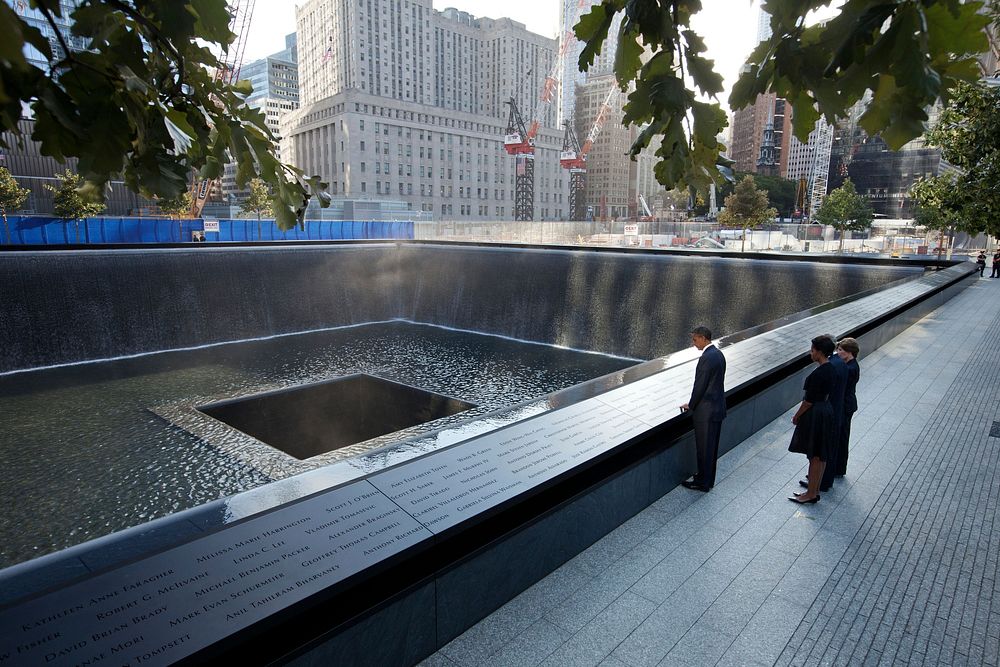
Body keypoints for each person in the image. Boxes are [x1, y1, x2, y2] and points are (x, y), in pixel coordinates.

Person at [788, 336, 837, 504]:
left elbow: (808, 401)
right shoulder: (832, 368)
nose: (811, 353)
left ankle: (810, 494)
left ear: (819, 352)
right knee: (820, 455)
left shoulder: (820, 373)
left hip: (816, 414)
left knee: (815, 456)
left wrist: (797, 416)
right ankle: (814, 491)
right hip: (826, 410)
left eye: (812, 350)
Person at [679, 326, 727, 492]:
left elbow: (700, 386)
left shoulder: (706, 358)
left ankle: (702, 483)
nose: (693, 343)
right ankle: (708, 480)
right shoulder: (718, 354)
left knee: (704, 449)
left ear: (703, 338)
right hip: (717, 409)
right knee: (711, 449)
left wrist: (691, 405)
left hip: (706, 412)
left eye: (695, 339)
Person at [817, 334, 847, 492]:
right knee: (829, 447)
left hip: (829, 413)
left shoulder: (831, 367)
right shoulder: (840, 362)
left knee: (823, 450)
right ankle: (823, 479)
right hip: (837, 410)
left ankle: (820, 481)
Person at [834, 338, 861, 477]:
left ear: (849, 352)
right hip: (848, 403)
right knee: (842, 436)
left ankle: (838, 469)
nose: (837, 353)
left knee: (841, 437)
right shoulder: (852, 365)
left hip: (845, 405)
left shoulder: (849, 368)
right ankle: (838, 468)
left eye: (840, 350)